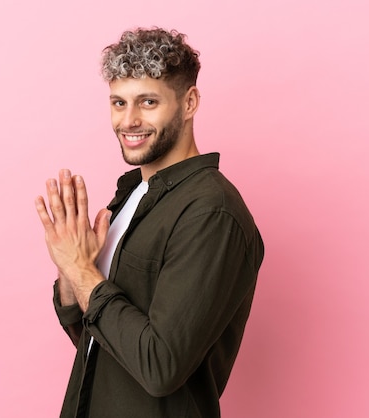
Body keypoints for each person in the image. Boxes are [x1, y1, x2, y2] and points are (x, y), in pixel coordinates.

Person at [35, 27, 264, 418]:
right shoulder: (131, 197)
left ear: (189, 102)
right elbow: (99, 345)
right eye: (118, 103)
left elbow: (160, 365)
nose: (129, 120)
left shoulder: (212, 212)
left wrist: (81, 269)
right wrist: (70, 271)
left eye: (148, 101)